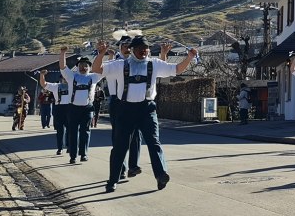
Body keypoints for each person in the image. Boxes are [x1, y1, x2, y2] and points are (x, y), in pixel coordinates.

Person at [94, 35, 197, 192]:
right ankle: (112, 180)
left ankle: (161, 174)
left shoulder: (154, 64)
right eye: (140, 49)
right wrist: (100, 54)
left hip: (146, 109)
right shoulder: (120, 64)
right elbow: (97, 69)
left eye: (146, 49)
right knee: (120, 146)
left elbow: (176, 69)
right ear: (132, 50)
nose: (144, 51)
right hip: (125, 109)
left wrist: (189, 57)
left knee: (154, 142)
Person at [58, 46, 105, 165]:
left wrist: (103, 54)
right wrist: (63, 53)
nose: (83, 67)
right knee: (73, 133)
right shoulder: (71, 76)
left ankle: (84, 154)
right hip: (73, 108)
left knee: (85, 131)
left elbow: (101, 68)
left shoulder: (94, 77)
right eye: (81, 65)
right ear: (77, 66)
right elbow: (63, 67)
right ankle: (73, 156)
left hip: (87, 108)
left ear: (89, 67)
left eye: (86, 65)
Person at [38, 69, 71, 155]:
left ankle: (69, 146)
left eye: (67, 78)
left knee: (70, 130)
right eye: (63, 77)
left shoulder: (73, 86)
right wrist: (42, 75)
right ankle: (60, 148)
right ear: (61, 79)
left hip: (70, 108)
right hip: (59, 108)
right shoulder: (56, 86)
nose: (65, 79)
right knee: (60, 130)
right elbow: (44, 84)